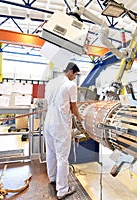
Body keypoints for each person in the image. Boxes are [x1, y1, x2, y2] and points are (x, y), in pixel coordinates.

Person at [44, 62, 83, 199]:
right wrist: (80, 118)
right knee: (62, 158)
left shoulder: (51, 83)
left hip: (48, 122)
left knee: (51, 152)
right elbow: (73, 108)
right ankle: (62, 190)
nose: (75, 78)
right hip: (60, 125)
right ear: (71, 72)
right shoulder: (70, 85)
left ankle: (53, 178)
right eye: (75, 74)